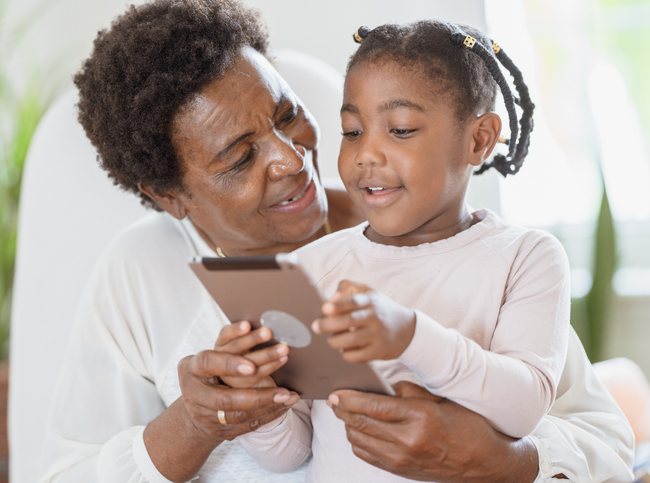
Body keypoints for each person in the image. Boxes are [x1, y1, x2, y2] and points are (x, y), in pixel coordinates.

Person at [37, 1, 634, 482]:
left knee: (629, 383)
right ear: (171, 196)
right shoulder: (141, 272)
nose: (291, 158)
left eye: (288, 113)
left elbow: (599, 434)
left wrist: (499, 463)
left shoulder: (448, 237)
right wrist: (198, 423)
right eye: (240, 157)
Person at [229, 20, 576, 481]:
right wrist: (257, 399)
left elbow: (523, 408)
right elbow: (292, 453)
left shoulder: (527, 257)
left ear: (479, 139)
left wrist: (411, 336)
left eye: (401, 129)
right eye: (352, 131)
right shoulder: (308, 269)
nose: (366, 154)